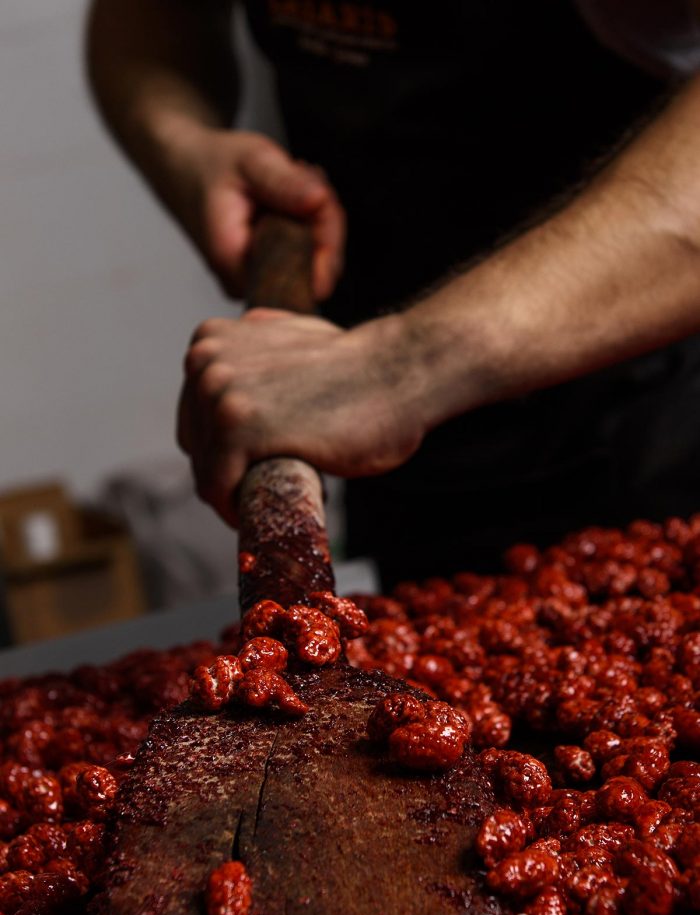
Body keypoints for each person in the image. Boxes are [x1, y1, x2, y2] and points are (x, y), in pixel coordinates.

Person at [87, 0, 700, 588]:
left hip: (655, 427)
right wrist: (185, 145)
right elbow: (155, 16)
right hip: (389, 437)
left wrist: (403, 365)